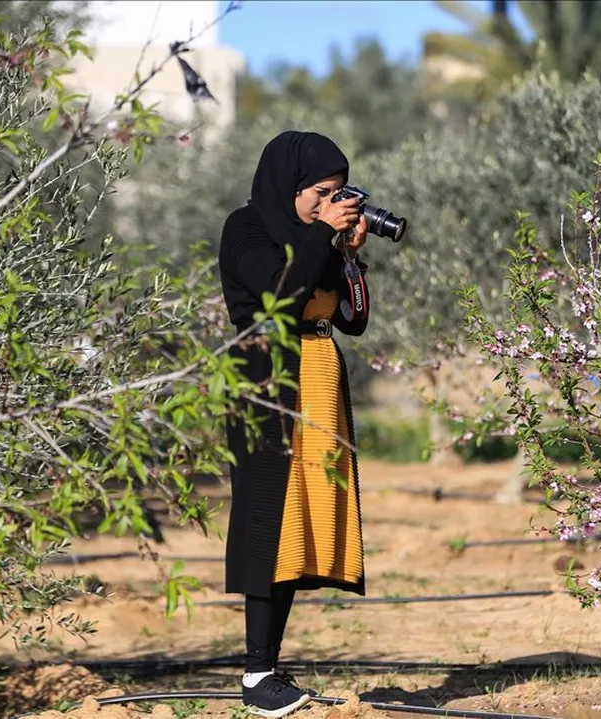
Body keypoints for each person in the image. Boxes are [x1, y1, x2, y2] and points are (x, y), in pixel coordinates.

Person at [218, 130, 371, 718]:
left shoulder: (320, 239)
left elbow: (352, 318)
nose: (331, 203)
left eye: (340, 193)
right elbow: (283, 289)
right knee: (267, 518)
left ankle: (268, 667)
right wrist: (322, 236)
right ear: (291, 186)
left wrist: (350, 252)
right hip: (267, 387)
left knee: (302, 520)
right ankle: (256, 675)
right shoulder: (246, 228)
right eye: (322, 193)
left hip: (318, 384)